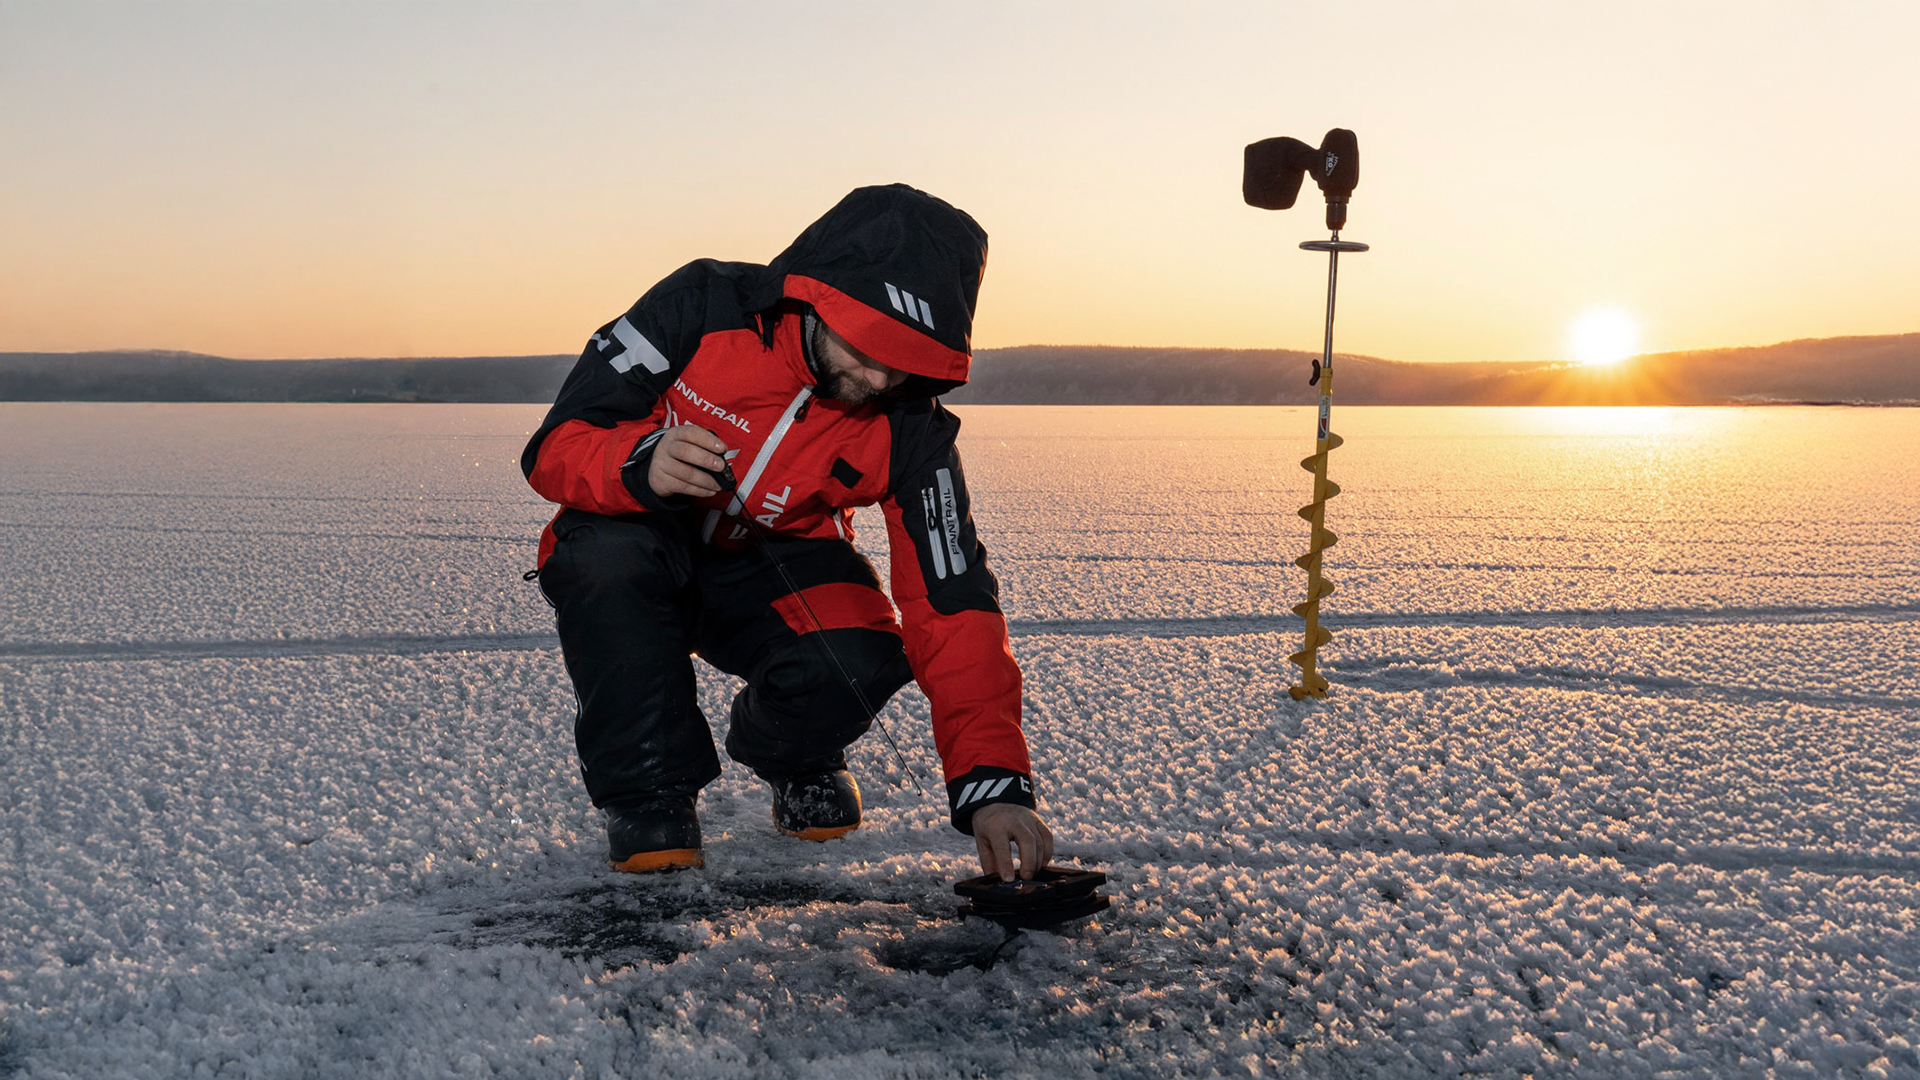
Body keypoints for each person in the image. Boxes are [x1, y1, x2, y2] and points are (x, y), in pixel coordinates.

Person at [521, 184, 1053, 881]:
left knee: (862, 651)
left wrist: (995, 786)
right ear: (813, 295)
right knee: (602, 559)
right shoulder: (699, 305)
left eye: (905, 363)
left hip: (775, 563)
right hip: (644, 540)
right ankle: (650, 794)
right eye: (866, 347)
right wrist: (639, 465)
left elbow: (953, 597)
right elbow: (557, 444)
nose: (879, 377)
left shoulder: (911, 426)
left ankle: (793, 754)